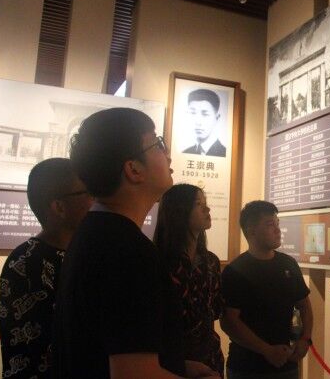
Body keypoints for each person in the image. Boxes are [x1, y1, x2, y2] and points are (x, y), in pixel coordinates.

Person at [53, 108, 217, 379]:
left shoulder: (96, 232)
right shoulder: (128, 251)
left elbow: (109, 348)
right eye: (158, 144)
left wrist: (179, 366)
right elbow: (133, 374)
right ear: (133, 169)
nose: (168, 155)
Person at [0, 158, 92, 379]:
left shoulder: (82, 254)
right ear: (59, 207)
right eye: (87, 192)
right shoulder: (26, 261)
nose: (95, 199)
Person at [221, 200, 313, 379]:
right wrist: (266, 350)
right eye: (270, 224)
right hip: (247, 367)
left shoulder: (288, 264)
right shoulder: (236, 271)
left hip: (286, 363)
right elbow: (229, 322)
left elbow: (304, 305)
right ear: (251, 230)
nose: (278, 230)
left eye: (277, 223)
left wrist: (305, 338)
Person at [154, 184, 225, 377]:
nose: (207, 209)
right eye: (198, 204)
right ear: (179, 211)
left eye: (206, 203)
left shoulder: (211, 261)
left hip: (210, 357)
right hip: (171, 362)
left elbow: (216, 310)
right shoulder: (159, 261)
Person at [182, 89, 226, 157]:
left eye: (205, 114)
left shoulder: (224, 154)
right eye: (193, 113)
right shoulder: (185, 152)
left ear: (217, 118)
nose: (198, 122)